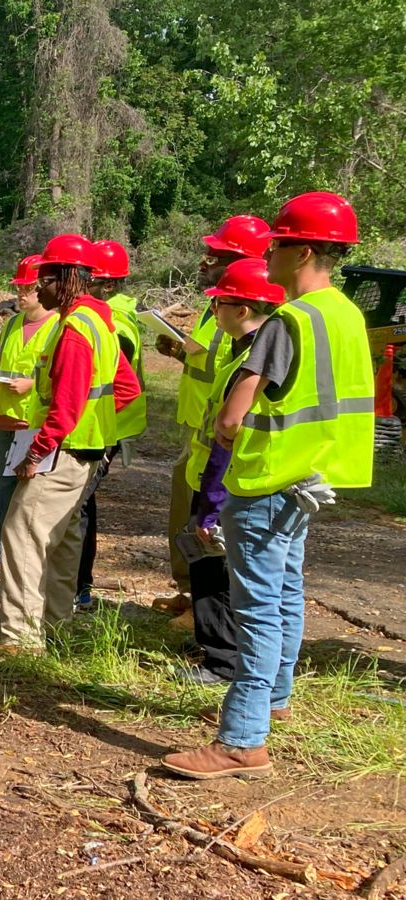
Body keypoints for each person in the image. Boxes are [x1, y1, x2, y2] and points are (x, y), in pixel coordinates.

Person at [163, 192, 375, 779]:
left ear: (302, 249)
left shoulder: (289, 320)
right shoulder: (347, 314)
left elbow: (232, 417)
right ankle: (275, 699)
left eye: (278, 243)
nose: (270, 252)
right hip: (310, 478)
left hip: (262, 479)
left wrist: (230, 440)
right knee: (284, 594)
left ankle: (241, 739)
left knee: (255, 608)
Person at [0, 234, 140, 656]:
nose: (38, 288)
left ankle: (20, 640)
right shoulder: (99, 321)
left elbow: (68, 403)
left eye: (46, 279)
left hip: (64, 452)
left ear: (69, 279)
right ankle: (57, 627)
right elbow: (125, 388)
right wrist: (96, 422)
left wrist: (38, 450)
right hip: (87, 450)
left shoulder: (75, 328)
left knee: (21, 534)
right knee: (61, 539)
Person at [175, 259, 286, 686]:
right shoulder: (246, 350)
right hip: (213, 477)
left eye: (220, 302)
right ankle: (217, 652)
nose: (214, 309)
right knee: (213, 569)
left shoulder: (255, 358)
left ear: (241, 310)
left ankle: (221, 662)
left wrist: (212, 504)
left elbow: (231, 428)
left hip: (226, 481)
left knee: (215, 571)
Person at [154, 216, 272, 614]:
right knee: (187, 513)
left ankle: (203, 609)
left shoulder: (250, 312)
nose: (206, 260)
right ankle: (190, 595)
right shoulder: (216, 305)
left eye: (218, 255)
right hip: (200, 430)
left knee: (209, 523)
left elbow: (235, 370)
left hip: (224, 440)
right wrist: (175, 350)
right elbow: (207, 360)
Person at [0, 255, 59, 580]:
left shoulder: (57, 326)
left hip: (30, 423)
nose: (20, 294)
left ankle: (10, 556)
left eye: (27, 288)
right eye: (18, 287)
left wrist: (30, 384)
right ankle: (3, 554)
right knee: (3, 491)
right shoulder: (10, 325)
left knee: (27, 496)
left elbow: (58, 376)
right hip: (2, 420)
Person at [73, 240, 147, 608]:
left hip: (105, 428)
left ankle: (78, 587)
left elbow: (121, 385)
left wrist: (83, 416)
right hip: (101, 425)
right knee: (81, 503)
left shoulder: (114, 323)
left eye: (87, 278)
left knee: (78, 504)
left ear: (108, 285)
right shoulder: (103, 314)